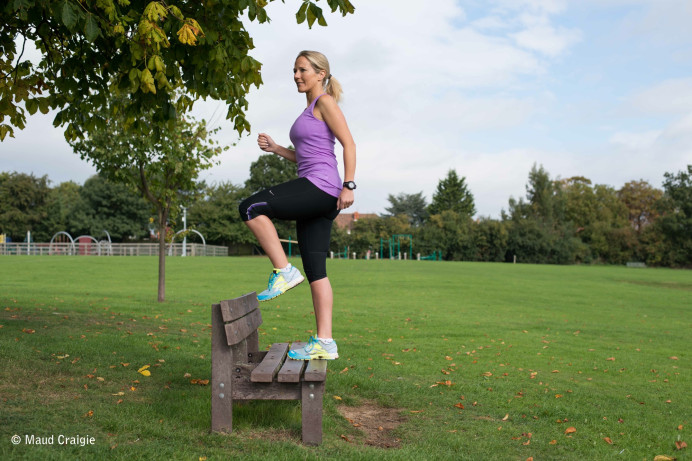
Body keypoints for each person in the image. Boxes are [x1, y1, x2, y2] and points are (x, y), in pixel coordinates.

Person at [238, 50, 356, 361]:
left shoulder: (325, 103)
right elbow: (305, 157)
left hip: (322, 187)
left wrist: (349, 184)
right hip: (319, 191)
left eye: (303, 70)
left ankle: (283, 270)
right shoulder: (308, 111)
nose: (297, 75)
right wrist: (277, 148)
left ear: (321, 74)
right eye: (294, 70)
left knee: (250, 208)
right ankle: (325, 342)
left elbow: (349, 143)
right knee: (317, 271)